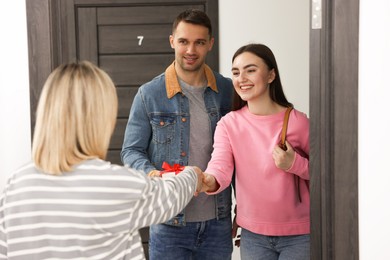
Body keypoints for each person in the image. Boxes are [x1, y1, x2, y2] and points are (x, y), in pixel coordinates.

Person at [0, 61, 204, 260]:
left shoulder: (15, 186)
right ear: (99, 118)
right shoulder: (115, 184)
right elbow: (170, 197)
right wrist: (192, 174)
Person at [121, 9, 234, 260]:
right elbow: (131, 151)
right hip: (168, 223)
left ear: (210, 44)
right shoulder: (149, 94)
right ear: (172, 41)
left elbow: (239, 153)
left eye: (199, 42)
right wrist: (155, 175)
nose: (190, 50)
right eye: (183, 41)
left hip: (218, 223)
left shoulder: (227, 90)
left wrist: (244, 213)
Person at [201, 43, 310, 260]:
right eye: (236, 72)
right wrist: (206, 180)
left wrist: (293, 164)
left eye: (250, 70)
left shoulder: (298, 122)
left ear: (271, 75)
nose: (241, 78)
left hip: (299, 235)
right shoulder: (228, 124)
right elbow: (220, 166)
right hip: (253, 236)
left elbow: (328, 176)